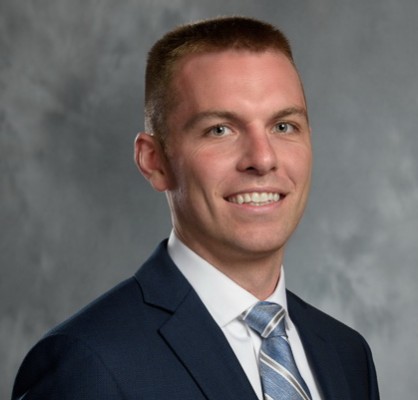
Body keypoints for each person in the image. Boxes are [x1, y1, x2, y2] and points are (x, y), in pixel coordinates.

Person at [12, 16, 379, 399]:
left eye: (284, 126)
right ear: (154, 161)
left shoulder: (346, 355)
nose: (263, 159)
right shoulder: (90, 363)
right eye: (220, 129)